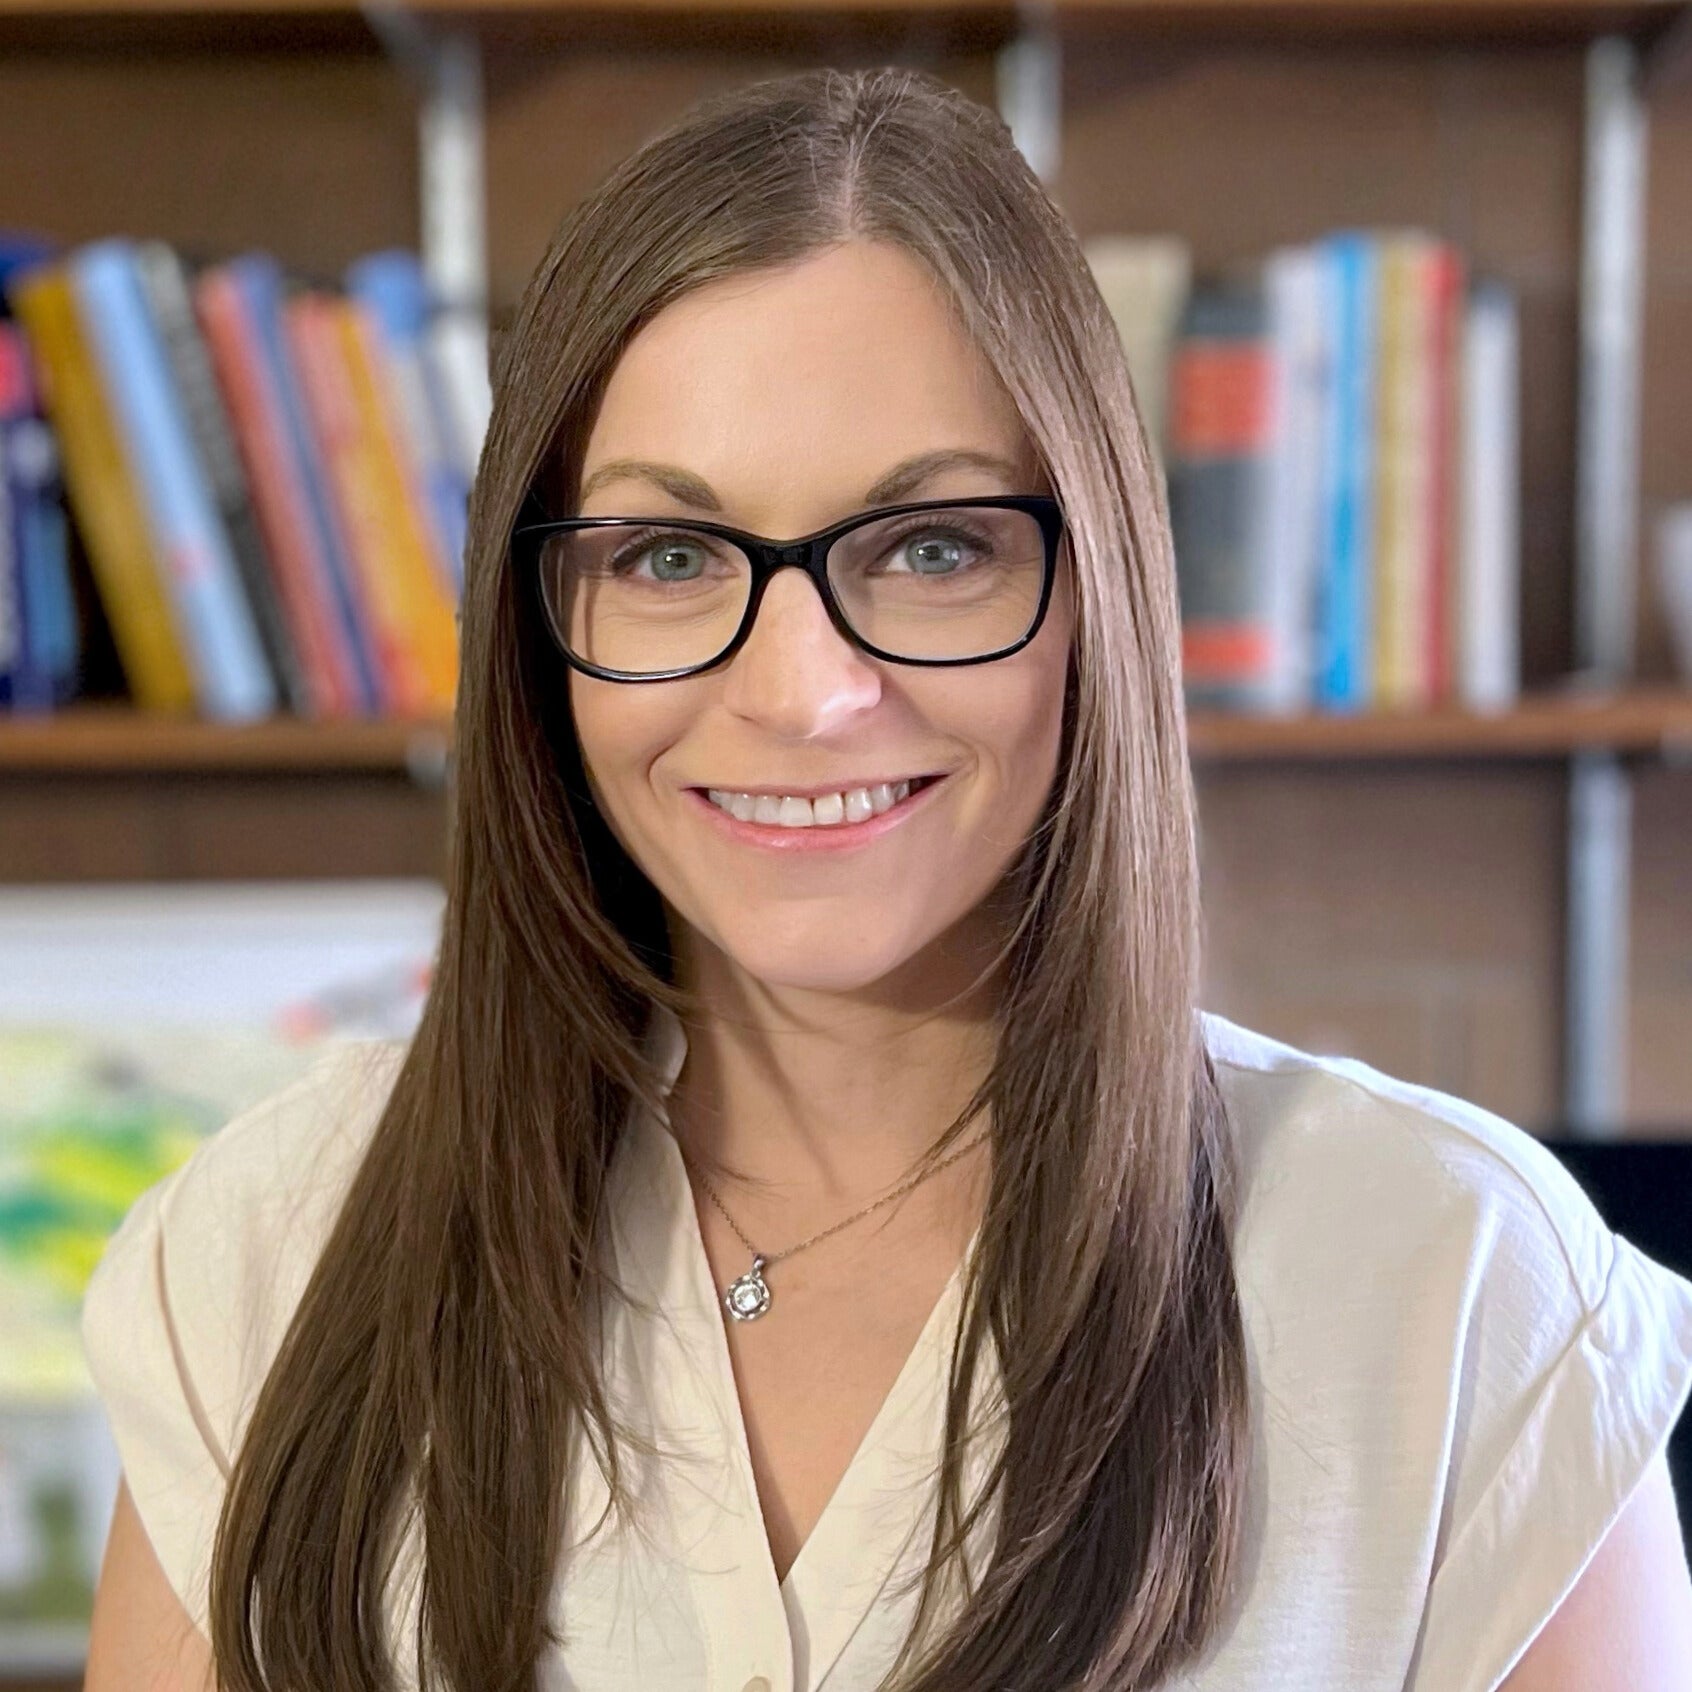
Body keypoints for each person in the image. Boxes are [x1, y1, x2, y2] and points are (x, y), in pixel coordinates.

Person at [80, 65, 1692, 1692]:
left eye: (931, 549)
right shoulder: (259, 1260)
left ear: (1096, 595)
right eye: (667, 556)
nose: (799, 691)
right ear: (538, 635)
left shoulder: (1462, 1292)